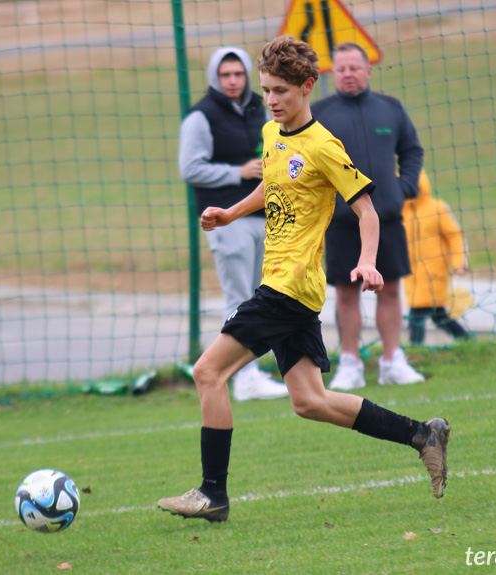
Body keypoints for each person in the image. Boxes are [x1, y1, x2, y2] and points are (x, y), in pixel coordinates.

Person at [157, 36, 450, 523]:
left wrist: (369, 261)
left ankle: (213, 494)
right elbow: (272, 185)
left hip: (288, 289)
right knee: (309, 401)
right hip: (286, 287)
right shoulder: (273, 136)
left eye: (280, 92)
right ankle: (424, 435)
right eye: (266, 90)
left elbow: (367, 211)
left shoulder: (323, 145)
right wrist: (230, 213)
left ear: (308, 87)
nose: (270, 100)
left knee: (207, 372)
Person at [312, 42, 425, 390]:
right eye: (341, 68)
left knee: (390, 290)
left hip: (388, 219)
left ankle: (393, 360)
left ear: (368, 70)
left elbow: (411, 151)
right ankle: (349, 363)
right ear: (333, 72)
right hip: (343, 222)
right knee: (346, 293)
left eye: (354, 67)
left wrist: (403, 187)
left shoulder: (390, 109)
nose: (348, 74)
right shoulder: (320, 112)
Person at [179, 47, 289, 401]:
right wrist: (236, 172)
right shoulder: (201, 116)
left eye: (238, 74)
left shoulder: (263, 106)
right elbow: (190, 168)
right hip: (227, 220)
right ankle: (244, 377)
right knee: (238, 297)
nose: (232, 81)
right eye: (225, 75)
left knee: (262, 296)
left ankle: (256, 372)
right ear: (215, 77)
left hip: (265, 216)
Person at [403, 169, 472, 345]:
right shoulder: (402, 212)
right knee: (438, 315)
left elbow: (455, 235)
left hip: (435, 274)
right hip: (412, 275)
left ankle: (415, 348)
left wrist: (459, 262)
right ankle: (466, 340)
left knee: (417, 315)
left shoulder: (437, 208)